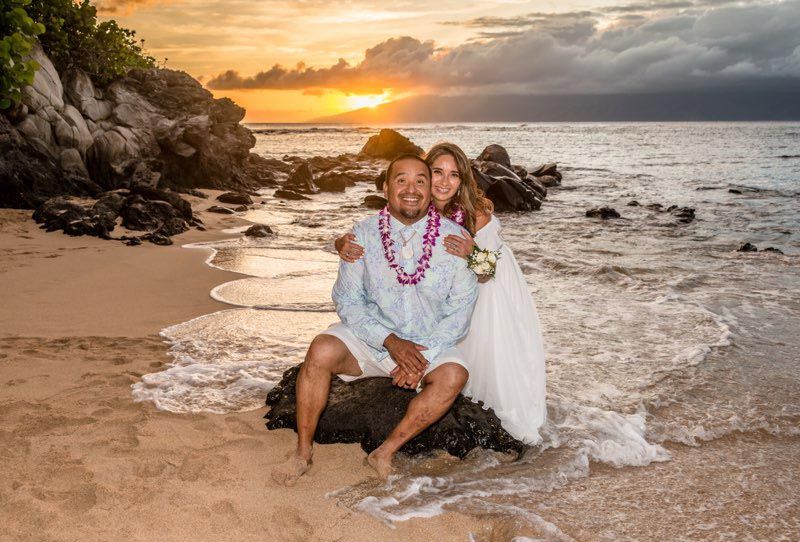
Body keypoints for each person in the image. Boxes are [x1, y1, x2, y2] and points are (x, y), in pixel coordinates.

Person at [272, 154, 478, 486]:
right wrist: (390, 341)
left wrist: (418, 358)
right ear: (385, 187)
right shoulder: (361, 236)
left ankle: (384, 452)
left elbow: (462, 308)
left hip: (427, 344)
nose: (411, 189)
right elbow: (347, 301)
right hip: (372, 341)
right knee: (321, 349)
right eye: (401, 180)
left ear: (429, 190)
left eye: (420, 181)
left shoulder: (455, 241)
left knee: (454, 375)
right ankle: (302, 452)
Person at [335, 142, 547, 444]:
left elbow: (492, 268)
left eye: (454, 175)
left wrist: (473, 253)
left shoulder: (475, 214)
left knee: (481, 355)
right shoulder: (413, 204)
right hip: (440, 297)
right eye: (437, 172)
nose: (445, 182)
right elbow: (376, 233)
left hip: (488, 293)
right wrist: (340, 243)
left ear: (462, 181)